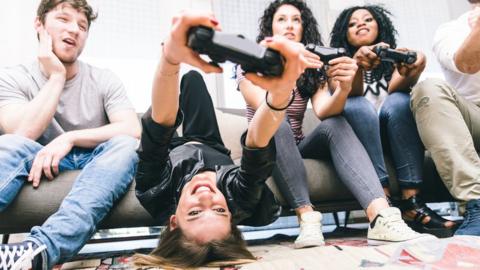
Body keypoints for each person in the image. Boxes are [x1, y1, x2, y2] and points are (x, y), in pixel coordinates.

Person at [132, 10, 323, 269]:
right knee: (195, 78)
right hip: (209, 143)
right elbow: (257, 145)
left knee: (183, 87)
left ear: (174, 221)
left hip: (175, 150)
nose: (207, 196)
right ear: (232, 215)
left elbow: (159, 126)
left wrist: (170, 57)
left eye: (195, 212)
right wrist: (281, 92)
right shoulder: (238, 197)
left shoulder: (154, 190)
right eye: (220, 211)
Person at [237, 0, 430, 248]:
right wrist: (287, 71)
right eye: (282, 19)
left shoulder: (312, 67)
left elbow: (324, 111)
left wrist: (344, 88)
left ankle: (381, 216)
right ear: (270, 29)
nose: (290, 25)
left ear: (304, 28)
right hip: (262, 144)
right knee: (279, 121)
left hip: (297, 145)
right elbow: (267, 107)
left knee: (335, 123)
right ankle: (307, 218)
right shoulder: (252, 64)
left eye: (296, 20)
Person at [0, 0, 140, 269]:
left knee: (125, 145)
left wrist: (69, 138)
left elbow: (131, 129)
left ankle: (39, 250)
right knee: (9, 144)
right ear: (39, 25)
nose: (75, 30)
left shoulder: (103, 78)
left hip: (97, 159)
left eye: (82, 25)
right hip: (39, 158)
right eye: (64, 19)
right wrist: (56, 77)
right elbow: (22, 133)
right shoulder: (13, 78)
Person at [329, 5, 456, 237]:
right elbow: (351, 95)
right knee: (357, 105)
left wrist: (414, 70)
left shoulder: (395, 59)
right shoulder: (337, 62)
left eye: (368, 19)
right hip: (359, 141)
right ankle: (384, 204)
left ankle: (412, 203)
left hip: (392, 136)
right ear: (343, 33)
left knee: (399, 100)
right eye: (352, 23)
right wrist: (356, 63)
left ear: (380, 25)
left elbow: (395, 95)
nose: (361, 24)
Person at [410, 0, 480, 236]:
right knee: (428, 88)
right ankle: (477, 204)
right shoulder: (450, 30)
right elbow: (467, 63)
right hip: (472, 118)